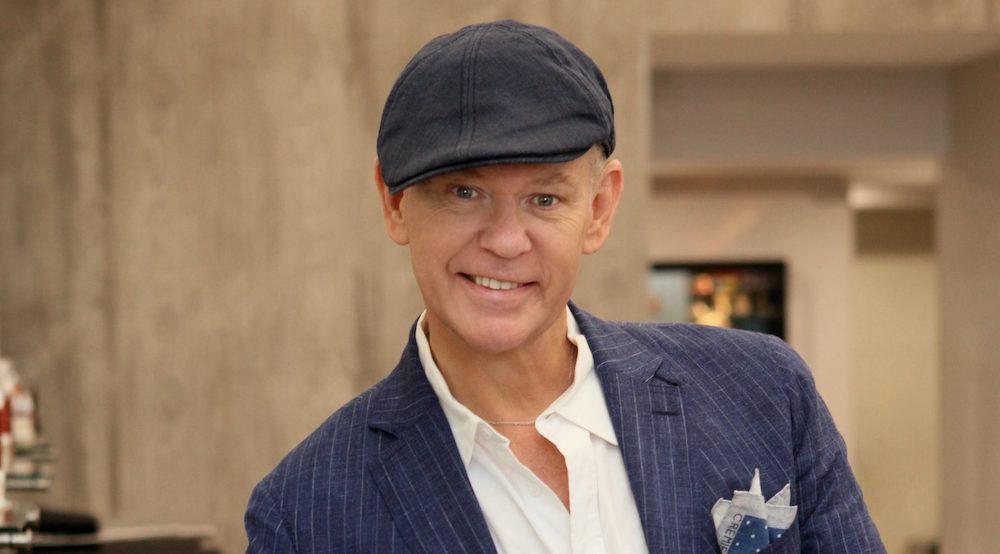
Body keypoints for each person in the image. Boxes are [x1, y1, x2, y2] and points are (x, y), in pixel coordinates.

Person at [245, 20, 884, 553]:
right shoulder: (306, 513)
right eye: (463, 193)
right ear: (393, 203)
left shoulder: (763, 392)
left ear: (599, 208)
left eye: (544, 199)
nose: (506, 240)